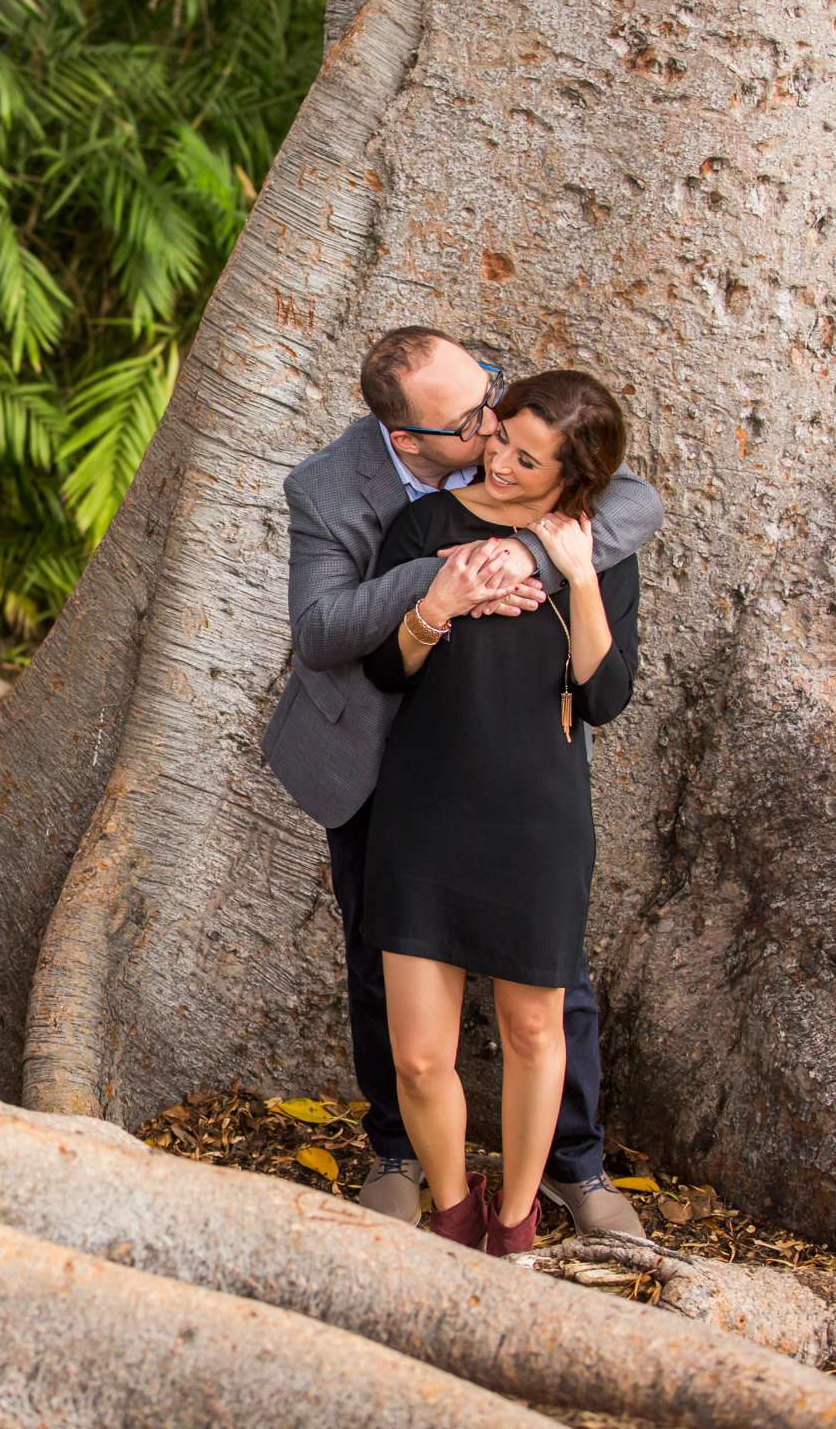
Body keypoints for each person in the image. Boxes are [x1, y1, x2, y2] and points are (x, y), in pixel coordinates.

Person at [260, 326, 659, 1241]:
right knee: (385, 967)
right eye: (474, 423)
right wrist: (440, 584)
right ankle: (403, 1157)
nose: (491, 433)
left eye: (493, 400)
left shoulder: (521, 440)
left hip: (520, 765)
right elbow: (322, 631)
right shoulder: (336, 491)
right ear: (410, 441)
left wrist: (531, 556)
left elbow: (623, 500)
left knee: (553, 991)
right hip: (380, 752)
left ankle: (572, 1165)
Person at [361, 368, 641, 1255]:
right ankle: (451, 1207)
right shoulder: (425, 526)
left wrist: (575, 576)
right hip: (424, 810)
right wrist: (436, 606)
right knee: (417, 1054)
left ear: (575, 473)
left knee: (532, 1028)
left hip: (536, 819)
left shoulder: (596, 547)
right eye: (500, 438)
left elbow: (604, 697)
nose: (499, 460)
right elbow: (383, 672)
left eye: (527, 457)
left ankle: (516, 1218)